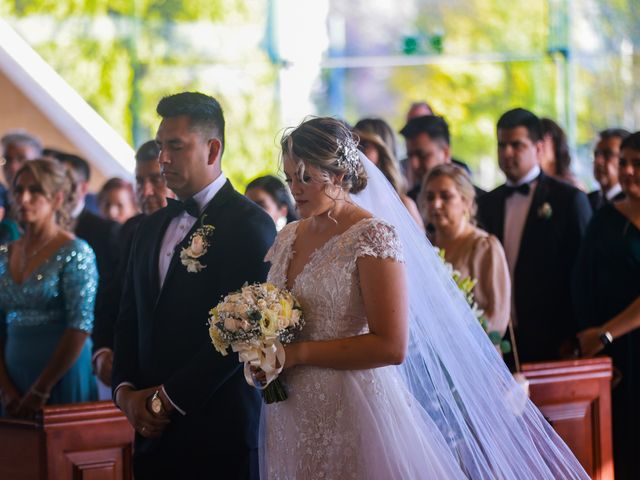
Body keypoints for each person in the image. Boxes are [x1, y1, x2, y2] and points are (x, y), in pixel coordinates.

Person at [259, 116, 588, 479]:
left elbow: (392, 346)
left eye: (306, 177)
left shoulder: (372, 236)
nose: (295, 189)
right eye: (290, 177)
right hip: (291, 407)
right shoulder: (288, 236)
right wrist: (259, 347)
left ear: (337, 174)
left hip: (351, 410)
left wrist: (300, 354)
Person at [112, 92, 276, 479]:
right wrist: (126, 393)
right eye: (159, 147)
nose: (162, 158)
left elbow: (241, 334)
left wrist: (165, 401)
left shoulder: (249, 224)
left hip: (218, 430)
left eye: (175, 146)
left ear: (212, 149)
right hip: (151, 431)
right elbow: (129, 316)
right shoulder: (149, 227)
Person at [477, 108, 592, 364]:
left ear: (538, 149)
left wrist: (573, 335)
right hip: (501, 341)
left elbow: (584, 272)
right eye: (502, 145)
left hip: (554, 338)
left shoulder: (568, 200)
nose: (507, 153)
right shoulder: (486, 203)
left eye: (516, 145)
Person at [0, 159, 98, 417]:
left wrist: (41, 388)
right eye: (18, 190)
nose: (24, 197)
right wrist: (5, 387)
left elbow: (80, 325)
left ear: (57, 199)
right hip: (12, 375)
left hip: (61, 375)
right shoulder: (4, 253)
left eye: (35, 191)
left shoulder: (76, 251)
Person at [573, 131, 640, 480]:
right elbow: (581, 281)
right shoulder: (604, 219)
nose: (627, 171)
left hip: (614, 338)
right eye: (623, 162)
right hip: (614, 356)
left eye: (637, 164)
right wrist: (593, 345)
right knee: (620, 446)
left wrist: (607, 334)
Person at [91, 140, 175, 393]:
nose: (146, 191)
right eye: (139, 182)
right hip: (134, 367)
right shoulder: (131, 230)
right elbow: (113, 295)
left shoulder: (200, 227)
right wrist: (102, 350)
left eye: (156, 179)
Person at [420, 164, 510, 337]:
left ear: (466, 202)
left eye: (446, 197)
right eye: (430, 197)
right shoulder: (424, 247)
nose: (436, 204)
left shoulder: (484, 247)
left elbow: (498, 319)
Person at [353, 125, 425, 232]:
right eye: (353, 144)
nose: (356, 151)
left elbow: (420, 247)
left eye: (364, 145)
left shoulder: (404, 205)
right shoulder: (348, 200)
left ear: (383, 150)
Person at [399, 115, 484, 203]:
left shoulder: (483, 203)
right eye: (410, 156)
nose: (414, 164)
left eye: (422, 155)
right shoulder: (406, 203)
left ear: (446, 153)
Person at [588, 128, 631, 211]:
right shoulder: (586, 200)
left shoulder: (632, 205)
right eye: (596, 154)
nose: (598, 161)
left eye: (608, 154)